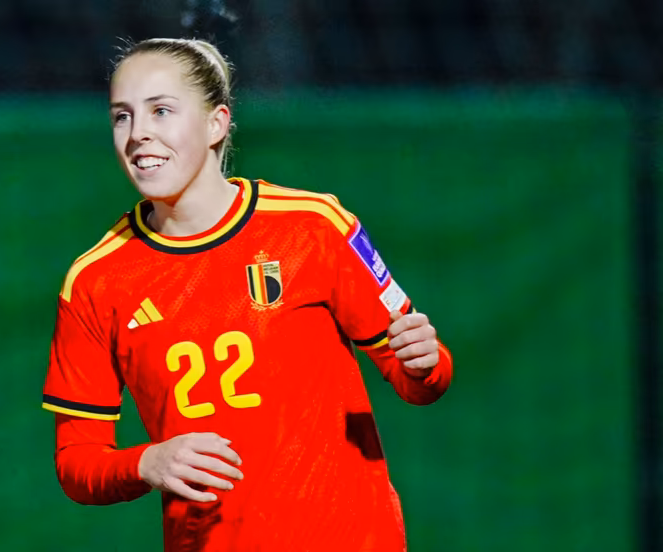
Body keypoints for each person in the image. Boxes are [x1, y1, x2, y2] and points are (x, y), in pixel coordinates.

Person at [41, 37, 453, 551]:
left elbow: (421, 377)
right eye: (121, 117)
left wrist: (423, 361)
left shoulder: (314, 226)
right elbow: (76, 461)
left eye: (161, 111)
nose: (138, 134)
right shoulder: (95, 280)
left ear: (217, 123)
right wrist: (147, 461)